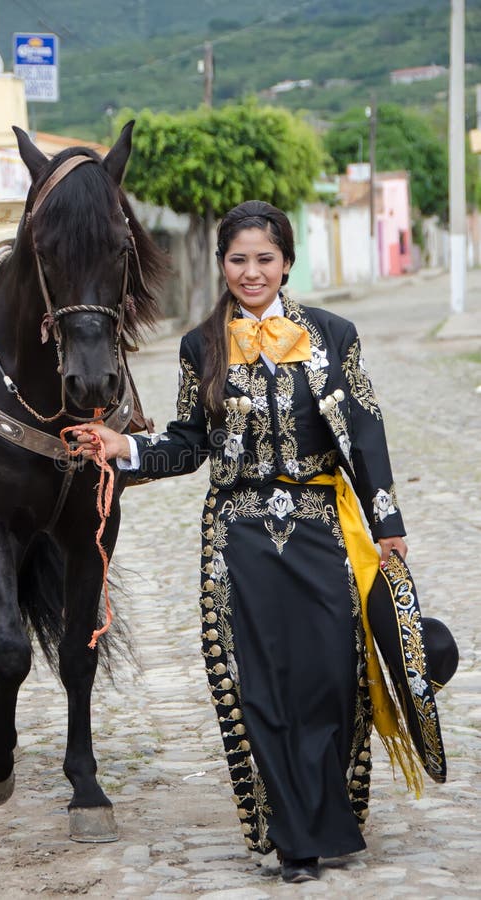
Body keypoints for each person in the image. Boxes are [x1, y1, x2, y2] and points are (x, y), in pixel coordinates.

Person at [73, 200, 410, 884]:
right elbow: (189, 444)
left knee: (330, 678)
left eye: (264, 259)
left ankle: (328, 815)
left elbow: (367, 434)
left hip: (323, 529)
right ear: (222, 265)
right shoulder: (201, 346)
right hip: (239, 537)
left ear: (286, 262)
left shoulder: (335, 336)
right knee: (261, 682)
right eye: (238, 260)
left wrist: (389, 526)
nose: (251, 272)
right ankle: (295, 837)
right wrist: (127, 447)